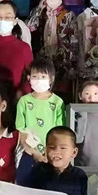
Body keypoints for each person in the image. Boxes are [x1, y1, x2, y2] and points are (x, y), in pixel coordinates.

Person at [15, 57, 66, 185]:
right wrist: (33, 152)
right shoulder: (24, 101)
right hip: (29, 152)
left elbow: (60, 132)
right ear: (29, 78)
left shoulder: (58, 102)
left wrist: (50, 153)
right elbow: (21, 131)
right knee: (23, 182)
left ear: (51, 79)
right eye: (35, 76)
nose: (39, 80)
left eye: (43, 77)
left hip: (52, 153)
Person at [26, 0, 80, 99]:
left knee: (61, 92)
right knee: (43, 90)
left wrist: (72, 65)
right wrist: (39, 8)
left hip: (62, 61)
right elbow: (29, 27)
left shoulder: (68, 15)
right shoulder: (41, 14)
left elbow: (74, 41)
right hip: (43, 59)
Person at [28, 126, 88, 195]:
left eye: (63, 148)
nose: (56, 151)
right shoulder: (37, 172)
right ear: (46, 150)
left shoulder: (79, 175)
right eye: (51, 147)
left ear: (74, 152)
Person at [0, 0, 34, 100]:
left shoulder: (24, 48)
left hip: (16, 99)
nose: (2, 20)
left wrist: (22, 92)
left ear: (15, 21)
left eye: (8, 17)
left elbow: (31, 75)